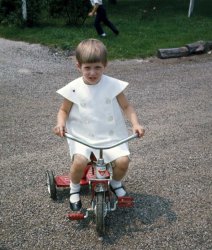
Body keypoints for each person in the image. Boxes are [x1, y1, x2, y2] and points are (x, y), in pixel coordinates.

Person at [53, 39, 145, 211]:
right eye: (87, 67)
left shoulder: (112, 85)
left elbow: (127, 106)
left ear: (105, 65)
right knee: (80, 161)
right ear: (78, 66)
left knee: (123, 161)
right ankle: (75, 190)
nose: (92, 72)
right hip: (83, 135)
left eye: (97, 67)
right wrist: (60, 124)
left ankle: (115, 183)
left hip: (111, 135)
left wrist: (135, 124)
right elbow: (63, 111)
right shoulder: (74, 88)